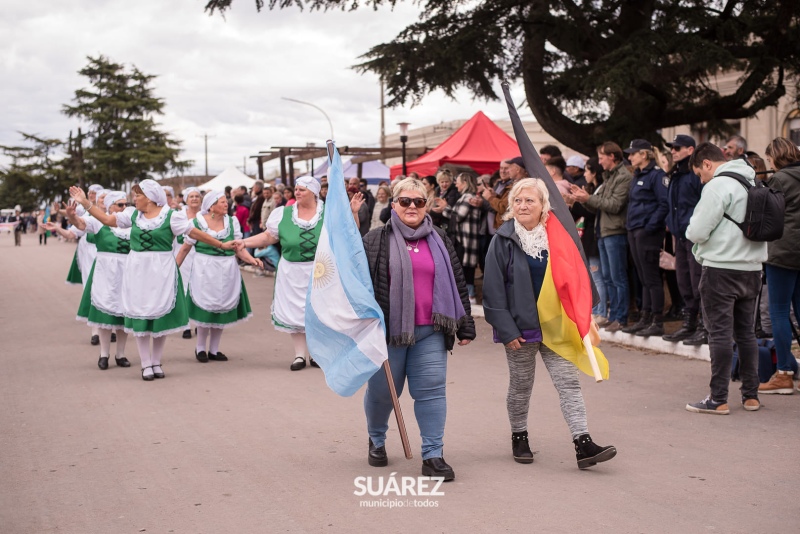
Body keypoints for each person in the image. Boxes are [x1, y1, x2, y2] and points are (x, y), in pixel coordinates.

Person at [483, 178, 616, 469]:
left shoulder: (558, 237)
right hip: (520, 328)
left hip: (557, 324)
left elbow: (576, 278)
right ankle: (519, 436)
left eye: (530, 200)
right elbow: (492, 291)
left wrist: (582, 314)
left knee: (568, 383)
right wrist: (506, 330)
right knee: (521, 386)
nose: (523, 205)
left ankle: (583, 444)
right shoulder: (502, 240)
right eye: (518, 200)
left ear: (543, 206)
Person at [362, 177, 475, 481]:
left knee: (432, 392)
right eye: (405, 201)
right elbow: (358, 285)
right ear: (394, 204)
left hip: (431, 332)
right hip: (388, 334)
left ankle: (433, 455)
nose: (412, 206)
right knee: (385, 392)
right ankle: (376, 439)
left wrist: (465, 325)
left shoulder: (439, 237)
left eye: (419, 201)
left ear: (427, 205)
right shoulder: (375, 239)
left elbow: (456, 282)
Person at [69, 179, 236, 381]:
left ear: (149, 198)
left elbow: (194, 233)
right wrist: (86, 203)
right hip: (138, 269)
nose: (134, 199)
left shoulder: (171, 217)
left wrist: (221, 244)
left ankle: (156, 361)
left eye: (138, 196)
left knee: (160, 313)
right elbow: (107, 220)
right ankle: (145, 364)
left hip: (162, 269)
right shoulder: (132, 215)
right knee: (141, 313)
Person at [684, 143, 767, 414]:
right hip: (753, 268)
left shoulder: (718, 186)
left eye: (699, 173)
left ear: (707, 163)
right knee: (746, 333)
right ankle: (751, 396)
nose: (701, 179)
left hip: (720, 268)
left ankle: (718, 398)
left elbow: (697, 230)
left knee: (719, 333)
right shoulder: (753, 180)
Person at [235, 177, 337, 370]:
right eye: (296, 189)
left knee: (319, 311)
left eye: (302, 190)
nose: (297, 192)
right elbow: (268, 236)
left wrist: (354, 213)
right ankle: (299, 355)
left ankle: (316, 354)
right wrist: (245, 243)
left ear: (314, 193)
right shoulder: (283, 213)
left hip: (321, 270)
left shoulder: (328, 212)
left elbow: (347, 232)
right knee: (295, 310)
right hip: (292, 270)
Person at [49, 192, 132, 370]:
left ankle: (120, 354)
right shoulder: (97, 221)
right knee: (104, 311)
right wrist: (71, 215)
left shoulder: (131, 224)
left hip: (126, 271)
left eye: (126, 204)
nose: (124, 208)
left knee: (123, 314)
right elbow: (79, 224)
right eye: (120, 205)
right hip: (105, 270)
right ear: (110, 207)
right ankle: (104, 354)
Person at [177, 191, 260, 363]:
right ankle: (200, 347)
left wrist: (252, 260)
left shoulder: (232, 221)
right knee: (205, 306)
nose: (226, 204)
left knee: (221, 306)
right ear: (211, 206)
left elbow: (239, 248)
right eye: (222, 202)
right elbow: (185, 248)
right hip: (205, 268)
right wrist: (173, 268)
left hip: (227, 269)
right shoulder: (197, 222)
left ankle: (214, 349)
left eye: (225, 201)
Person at [570, 142, 633, 332]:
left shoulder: (623, 177)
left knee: (617, 277)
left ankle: (621, 317)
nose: (600, 161)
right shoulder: (609, 177)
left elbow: (614, 205)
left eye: (602, 157)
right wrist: (584, 198)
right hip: (604, 231)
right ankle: (613, 315)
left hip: (615, 232)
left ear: (612, 156)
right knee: (607, 277)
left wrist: (588, 199)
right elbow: (599, 206)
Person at [758, 138, 800, 394]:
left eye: (770, 159)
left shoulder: (780, 180)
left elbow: (768, 214)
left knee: (779, 311)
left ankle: (784, 372)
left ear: (776, 157)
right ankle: (787, 367)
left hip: (782, 252)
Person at [620, 139, 669, 337]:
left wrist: (650, 227)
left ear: (644, 154)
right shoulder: (638, 175)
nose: (630, 157)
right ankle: (645, 317)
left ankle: (657, 320)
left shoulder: (656, 176)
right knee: (643, 277)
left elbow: (663, 203)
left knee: (651, 277)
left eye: (633, 153)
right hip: (634, 230)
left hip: (646, 231)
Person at [661, 135, 706, 344]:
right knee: (684, 281)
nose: (673, 150)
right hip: (680, 236)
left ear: (690, 149)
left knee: (698, 281)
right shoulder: (676, 174)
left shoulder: (696, 175)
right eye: (672, 147)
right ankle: (689, 324)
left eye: (677, 147)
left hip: (695, 236)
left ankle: (705, 326)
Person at [432, 173, 482, 304]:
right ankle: (467, 296)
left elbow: (458, 216)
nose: (456, 184)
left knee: (466, 269)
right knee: (464, 267)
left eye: (458, 181)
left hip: (466, 239)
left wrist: (444, 208)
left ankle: (470, 296)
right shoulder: (465, 196)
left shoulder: (468, 196)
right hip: (464, 238)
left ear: (465, 182)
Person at [571, 158, 606, 323]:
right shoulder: (593, 188)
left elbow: (593, 213)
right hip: (590, 238)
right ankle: (596, 310)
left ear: (594, 172)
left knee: (598, 276)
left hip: (595, 238)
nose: (584, 174)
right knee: (593, 277)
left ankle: (602, 311)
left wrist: (580, 200)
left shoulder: (600, 188)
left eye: (586, 171)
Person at [177, 187, 203, 339]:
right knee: (185, 288)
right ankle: (186, 325)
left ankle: (200, 323)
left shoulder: (204, 215)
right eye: (191, 196)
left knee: (200, 288)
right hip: (183, 253)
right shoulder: (179, 216)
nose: (194, 199)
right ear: (186, 200)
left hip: (200, 254)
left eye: (197, 196)